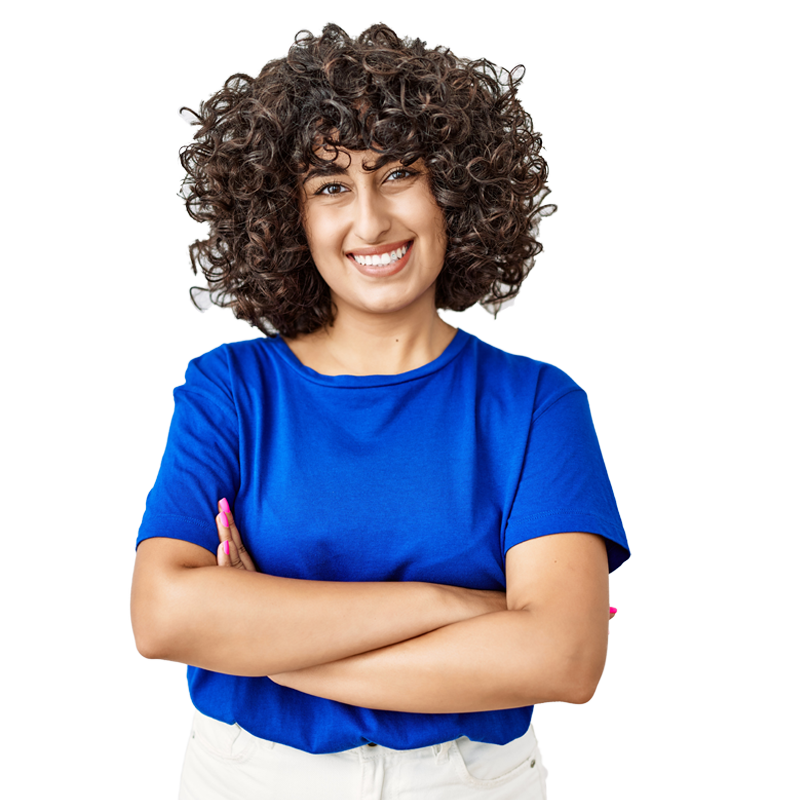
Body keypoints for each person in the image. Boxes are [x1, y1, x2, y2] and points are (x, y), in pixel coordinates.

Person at [130, 21, 630, 800]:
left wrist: (273, 649)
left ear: (454, 189)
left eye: (397, 174)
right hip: (251, 778)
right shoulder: (229, 390)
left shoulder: (536, 405)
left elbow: (563, 658)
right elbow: (163, 615)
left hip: (468, 783)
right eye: (331, 186)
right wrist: (450, 605)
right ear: (288, 216)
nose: (370, 222)